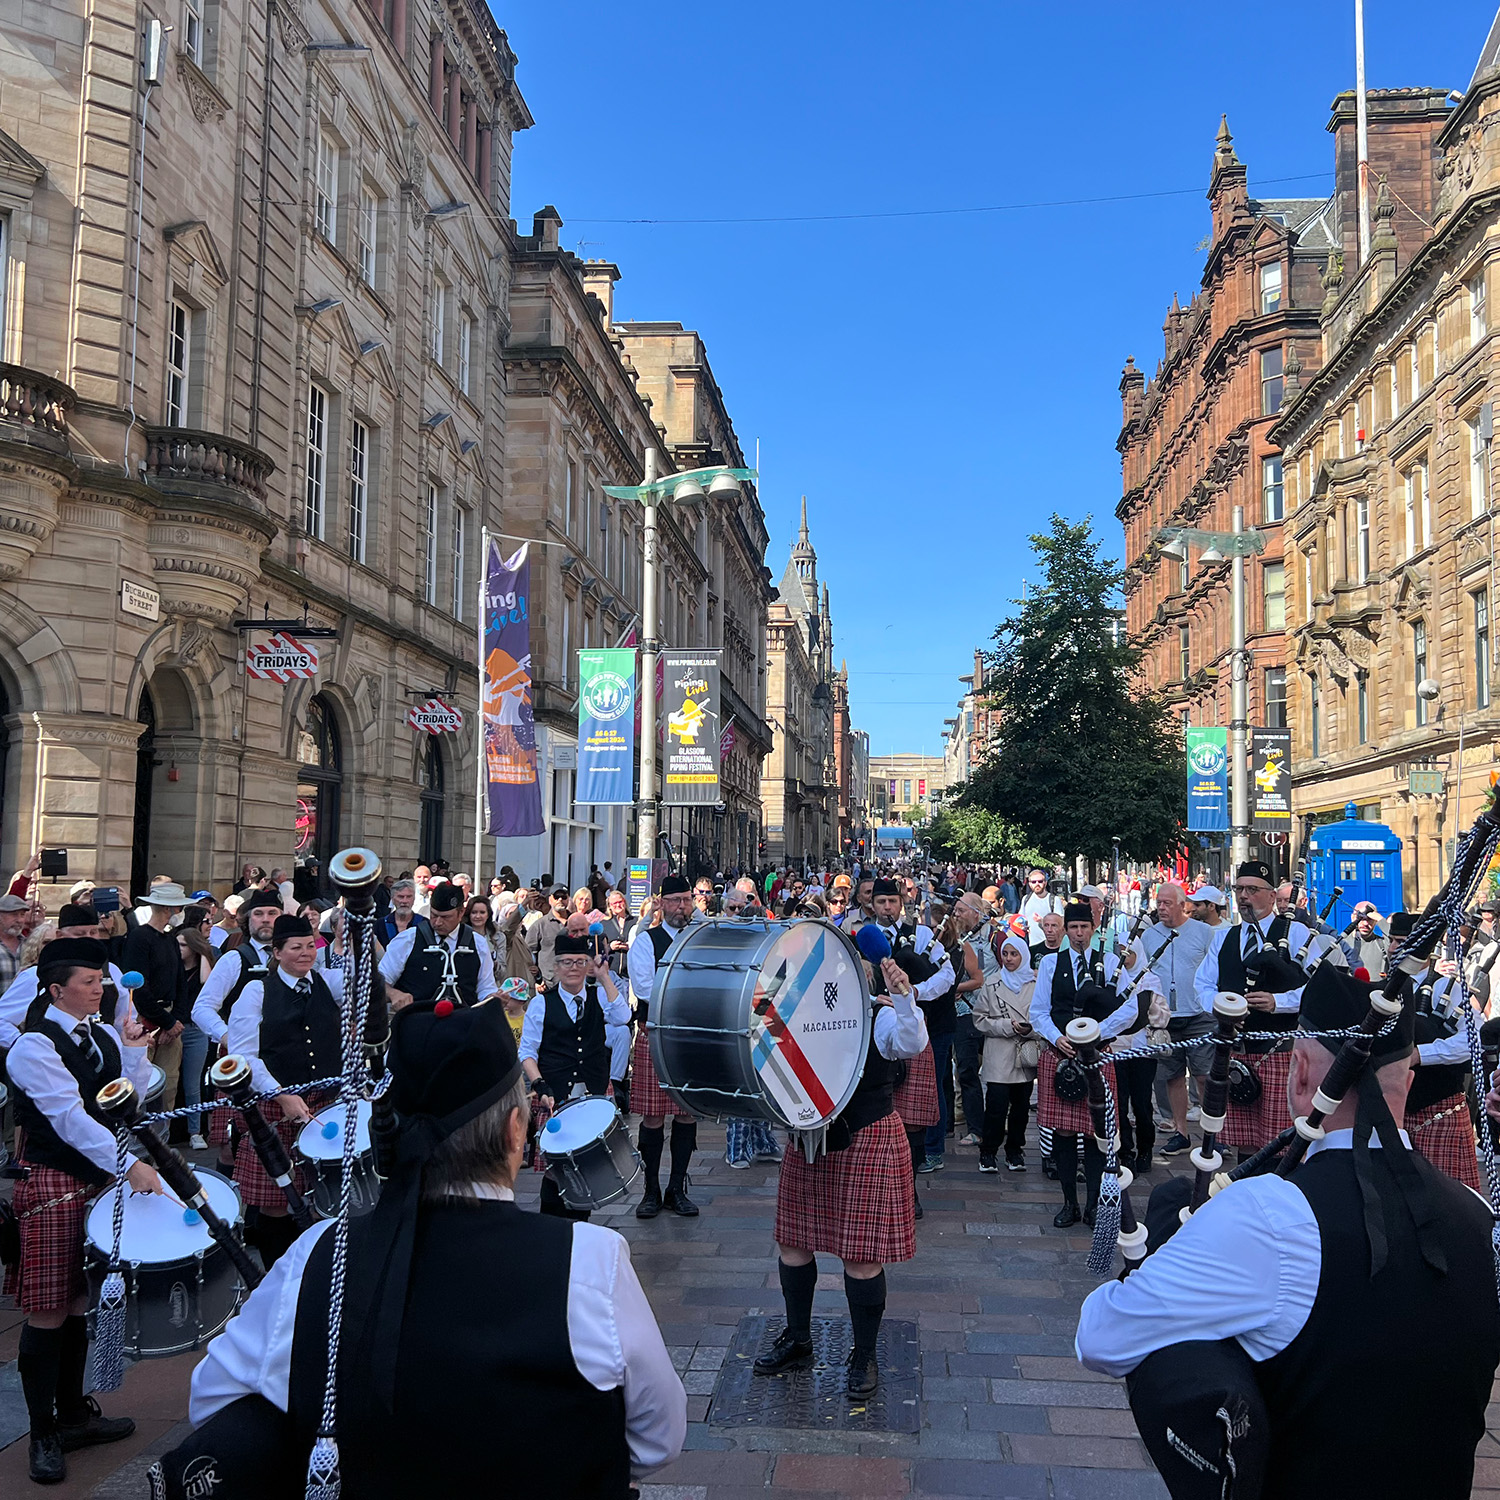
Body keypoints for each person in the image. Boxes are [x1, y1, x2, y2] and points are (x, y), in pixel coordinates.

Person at [179, 999, 686, 1497]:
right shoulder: (592, 1258)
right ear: (516, 1131)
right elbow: (657, 1439)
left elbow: (215, 1401)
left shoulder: (318, 1252)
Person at [1076, 964, 1500, 1500]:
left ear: (1299, 1073)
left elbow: (1101, 1337)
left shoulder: (1269, 1214)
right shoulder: (1481, 1215)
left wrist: (1170, 1255)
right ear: (1409, 1082)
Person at [5, 937, 160, 1483]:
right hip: (52, 1182)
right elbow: (70, 1120)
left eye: (102, 982)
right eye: (90, 984)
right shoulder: (32, 1047)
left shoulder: (99, 1034)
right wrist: (129, 1166)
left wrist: (136, 1048)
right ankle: (42, 1432)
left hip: (95, 1179)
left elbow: (129, 1101)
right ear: (56, 989)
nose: (101, 990)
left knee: (77, 1304)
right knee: (48, 1308)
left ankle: (72, 1415)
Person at [755, 936, 929, 1398]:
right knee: (793, 1243)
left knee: (862, 1256)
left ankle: (865, 1353)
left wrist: (906, 996)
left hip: (868, 1135)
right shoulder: (797, 1010)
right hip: (810, 1136)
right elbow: (762, 1042)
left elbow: (911, 1042)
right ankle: (798, 1338)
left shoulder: (881, 1013)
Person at [224, 913, 344, 1266]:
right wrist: (280, 1094)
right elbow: (244, 1055)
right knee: (277, 1199)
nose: (306, 954)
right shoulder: (256, 991)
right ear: (276, 952)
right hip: (276, 1105)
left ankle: (313, 1267)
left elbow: (369, 979)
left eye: (310, 946)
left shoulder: (326, 982)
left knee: (323, 1192)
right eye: (296, 948)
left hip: (325, 1103)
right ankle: (277, 1272)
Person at [1031, 902, 1160, 1228]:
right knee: (1061, 1132)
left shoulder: (1112, 962)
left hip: (1097, 1055)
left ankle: (1091, 1205)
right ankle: (1068, 1204)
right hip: (1059, 1055)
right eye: (1072, 928)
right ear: (1065, 930)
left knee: (1095, 1133)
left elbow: (1130, 1010)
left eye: (1083, 928)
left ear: (1092, 929)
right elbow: (1038, 1011)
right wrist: (1058, 1036)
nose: (1077, 934)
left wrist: (1094, 1034)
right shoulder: (1049, 963)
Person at [1194, 861, 1318, 1161]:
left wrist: (1279, 1002)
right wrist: (1225, 1008)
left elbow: (1317, 989)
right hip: (1236, 1050)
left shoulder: (1297, 934)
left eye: (1253, 890)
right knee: (1245, 1142)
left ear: (1272, 896)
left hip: (1280, 1051)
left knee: (1280, 1142)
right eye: (1239, 889)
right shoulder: (1225, 937)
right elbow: (1202, 985)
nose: (1244, 896)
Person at [520, 932, 633, 1219]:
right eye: (567, 962)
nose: (573, 968)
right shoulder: (541, 1003)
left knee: (587, 1166)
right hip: (555, 1094)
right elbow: (528, 1052)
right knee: (555, 1169)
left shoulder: (600, 996)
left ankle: (579, 1230)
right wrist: (539, 1082)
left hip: (593, 1093)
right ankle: (550, 1229)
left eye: (580, 962)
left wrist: (604, 976)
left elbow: (622, 1017)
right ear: (556, 967)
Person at [1385, 912, 1485, 1192]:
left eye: (1401, 941)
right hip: (1391, 1114)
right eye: (1391, 940)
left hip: (1439, 1112)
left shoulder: (1447, 988)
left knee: (1452, 1202)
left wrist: (1421, 1055)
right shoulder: (1383, 992)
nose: (1393, 948)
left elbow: (1472, 1041)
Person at [625, 875, 701, 1218]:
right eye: (675, 901)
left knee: (686, 1113)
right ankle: (651, 1189)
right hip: (655, 1033)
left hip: (691, 1036)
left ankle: (677, 1187)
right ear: (661, 903)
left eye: (687, 900)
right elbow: (645, 990)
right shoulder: (645, 942)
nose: (682, 907)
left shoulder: (702, 939)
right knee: (653, 1116)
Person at [1138, 884, 1218, 1159]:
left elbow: (1214, 971)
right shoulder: (1148, 936)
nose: (1161, 907)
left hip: (1198, 1015)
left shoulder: (1204, 933)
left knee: (1204, 1075)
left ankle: (1212, 1135)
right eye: (1159, 902)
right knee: (1171, 1076)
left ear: (1182, 905)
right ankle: (1181, 1132)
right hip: (1165, 1019)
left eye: (1167, 903)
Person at [120, 880, 191, 1124]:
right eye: (178, 908)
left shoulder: (170, 939)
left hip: (172, 1021)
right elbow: (138, 988)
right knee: (142, 1086)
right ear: (167, 909)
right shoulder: (139, 938)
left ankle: (164, 1141)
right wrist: (167, 1022)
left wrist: (177, 1020)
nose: (180, 913)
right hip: (146, 1021)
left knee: (168, 1086)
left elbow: (181, 982)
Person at [971, 933, 1038, 1171]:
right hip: (999, 1054)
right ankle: (988, 1151)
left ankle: (1015, 1150)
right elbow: (979, 1019)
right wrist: (1005, 1026)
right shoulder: (992, 983)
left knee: (1021, 1109)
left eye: (1014, 954)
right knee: (996, 1107)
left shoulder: (1036, 983)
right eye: (1005, 954)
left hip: (1025, 1054)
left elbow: (1043, 1015)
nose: (1009, 959)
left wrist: (1030, 1028)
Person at [380, 882, 497, 1011]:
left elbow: (486, 988)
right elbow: (379, 981)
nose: (438, 922)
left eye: (446, 917)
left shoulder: (478, 943)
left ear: (461, 912)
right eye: (434, 915)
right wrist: (393, 994)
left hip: (462, 1023)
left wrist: (495, 998)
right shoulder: (408, 939)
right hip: (417, 1023)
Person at [175, 905, 216, 1149]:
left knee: (193, 1083)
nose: (177, 949)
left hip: (195, 1030)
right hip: (173, 1027)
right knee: (169, 1083)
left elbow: (206, 983)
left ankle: (195, 1132)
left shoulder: (203, 963)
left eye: (182, 945)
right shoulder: (172, 967)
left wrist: (202, 954)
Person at [529, 886, 570, 986]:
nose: (560, 900)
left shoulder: (577, 923)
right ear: (550, 899)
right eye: (556, 897)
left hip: (573, 980)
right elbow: (528, 954)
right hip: (548, 983)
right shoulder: (539, 925)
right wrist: (537, 980)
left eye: (563, 897)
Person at [1347, 901, 1391, 978]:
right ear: (1353, 918)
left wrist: (1380, 919)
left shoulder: (1382, 944)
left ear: (1375, 921)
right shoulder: (1343, 943)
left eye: (1370, 919)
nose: (1365, 923)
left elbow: (1397, 943)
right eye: (1361, 918)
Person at [1019, 869, 1061, 946]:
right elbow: (1021, 918)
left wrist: (1042, 922)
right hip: (1030, 945)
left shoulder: (1054, 900)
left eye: (1040, 881)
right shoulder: (1026, 899)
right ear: (1029, 884)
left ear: (1045, 882)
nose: (1037, 884)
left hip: (1049, 945)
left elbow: (1061, 924)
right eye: (1034, 882)